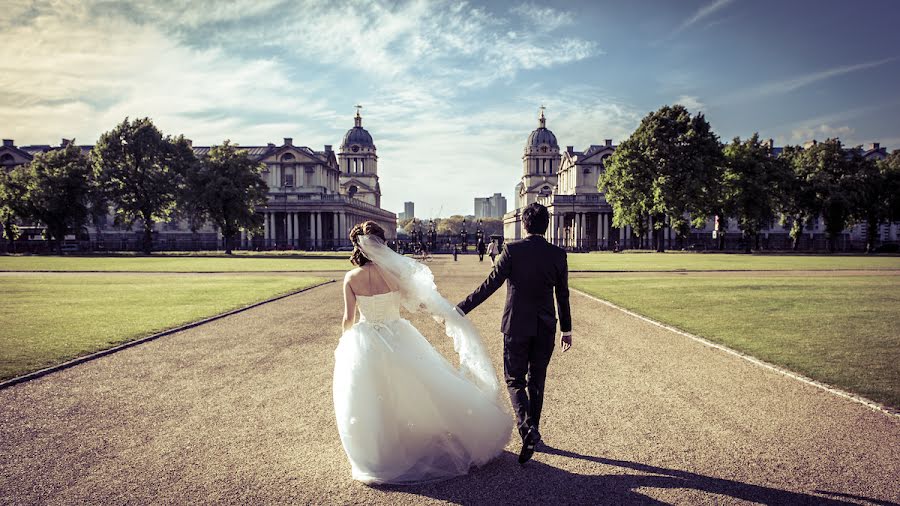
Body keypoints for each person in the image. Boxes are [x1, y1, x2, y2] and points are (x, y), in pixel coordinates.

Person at [334, 221, 510, 485]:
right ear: (381, 244)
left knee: (371, 394)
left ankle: (379, 452)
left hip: (366, 338)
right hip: (397, 333)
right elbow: (417, 302)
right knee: (415, 387)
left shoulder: (351, 278)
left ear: (357, 245)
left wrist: (345, 340)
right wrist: (442, 314)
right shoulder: (393, 274)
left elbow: (348, 319)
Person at [456, 203, 572, 465]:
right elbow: (562, 295)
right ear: (546, 225)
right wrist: (567, 329)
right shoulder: (558, 254)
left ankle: (527, 429)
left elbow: (490, 285)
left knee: (514, 380)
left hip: (516, 324)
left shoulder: (512, 250)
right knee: (537, 381)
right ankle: (534, 433)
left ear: (525, 224)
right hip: (545, 326)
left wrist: (461, 309)